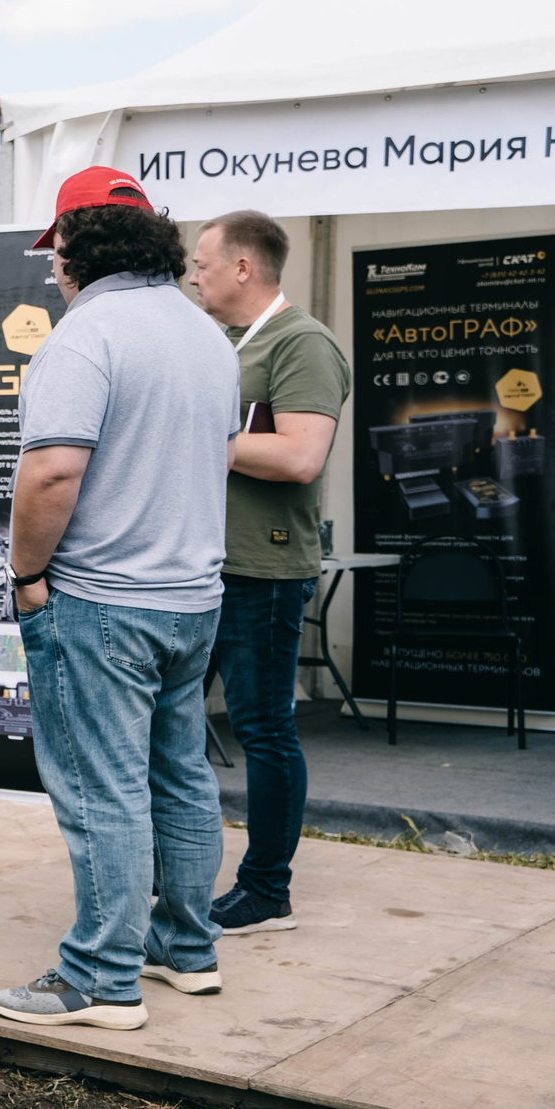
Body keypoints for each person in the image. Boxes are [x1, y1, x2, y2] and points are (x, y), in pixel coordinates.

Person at [0, 167, 239, 1032]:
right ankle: (186, 947)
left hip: (103, 598)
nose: (52, 264)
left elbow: (53, 471)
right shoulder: (207, 336)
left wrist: (26, 575)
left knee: (104, 786)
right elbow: (210, 459)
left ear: (74, 247)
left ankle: (99, 977)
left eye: (55, 246)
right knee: (181, 773)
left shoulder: (85, 336)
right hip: (192, 597)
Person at [188, 209, 349, 938]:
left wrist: (200, 435)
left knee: (262, 727)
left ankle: (265, 890)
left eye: (203, 264)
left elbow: (300, 456)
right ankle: (172, 869)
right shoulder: (218, 342)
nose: (194, 277)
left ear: (243, 268)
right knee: (172, 723)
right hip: (199, 566)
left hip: (262, 569)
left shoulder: (302, 343)